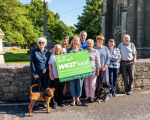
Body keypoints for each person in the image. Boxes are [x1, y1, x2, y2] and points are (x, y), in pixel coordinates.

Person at [30, 37, 50, 107]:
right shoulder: (34, 51)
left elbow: (49, 62)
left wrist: (47, 68)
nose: (41, 44)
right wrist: (34, 73)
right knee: (35, 87)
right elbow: (32, 63)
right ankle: (34, 102)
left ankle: (44, 101)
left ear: (45, 43)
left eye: (42, 42)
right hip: (37, 73)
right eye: (39, 42)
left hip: (45, 73)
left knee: (44, 87)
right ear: (38, 43)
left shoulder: (47, 52)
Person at [67, 36, 83, 106]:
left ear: (79, 42)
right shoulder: (69, 50)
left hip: (80, 71)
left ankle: (78, 99)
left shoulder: (81, 50)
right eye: (74, 40)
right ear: (72, 41)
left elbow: (84, 60)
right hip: (71, 71)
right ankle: (73, 99)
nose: (75, 42)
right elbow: (66, 60)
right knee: (72, 85)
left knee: (79, 84)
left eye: (77, 41)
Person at [93, 35, 110, 100]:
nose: (100, 41)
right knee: (96, 82)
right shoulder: (94, 48)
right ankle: (96, 95)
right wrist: (97, 67)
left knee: (104, 82)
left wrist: (105, 66)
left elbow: (108, 58)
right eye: (99, 40)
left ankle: (105, 95)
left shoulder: (106, 48)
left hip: (104, 68)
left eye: (101, 40)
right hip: (96, 68)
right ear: (96, 40)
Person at [48, 44, 65, 108]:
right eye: (56, 49)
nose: (57, 50)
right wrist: (51, 74)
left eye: (59, 49)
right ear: (54, 49)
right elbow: (49, 66)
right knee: (54, 90)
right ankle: (55, 102)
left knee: (61, 89)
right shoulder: (52, 56)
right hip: (54, 76)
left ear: (61, 50)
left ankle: (61, 101)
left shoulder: (63, 56)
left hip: (62, 76)